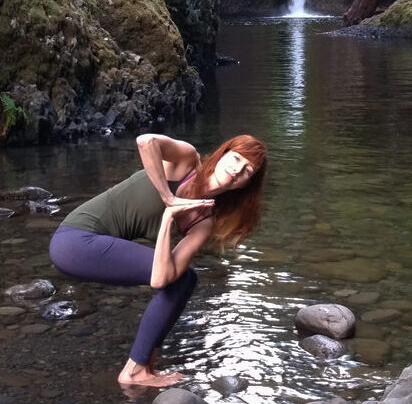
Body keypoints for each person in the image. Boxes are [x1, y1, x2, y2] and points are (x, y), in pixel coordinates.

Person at [49, 133, 267, 387]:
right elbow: (145, 141)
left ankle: (144, 363)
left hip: (88, 246)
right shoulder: (186, 161)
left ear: (246, 184)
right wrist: (168, 198)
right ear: (223, 153)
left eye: (247, 170)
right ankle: (135, 371)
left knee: (184, 279)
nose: (236, 170)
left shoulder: (203, 221)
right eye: (236, 158)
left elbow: (160, 278)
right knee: (181, 278)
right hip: (73, 240)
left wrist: (167, 220)